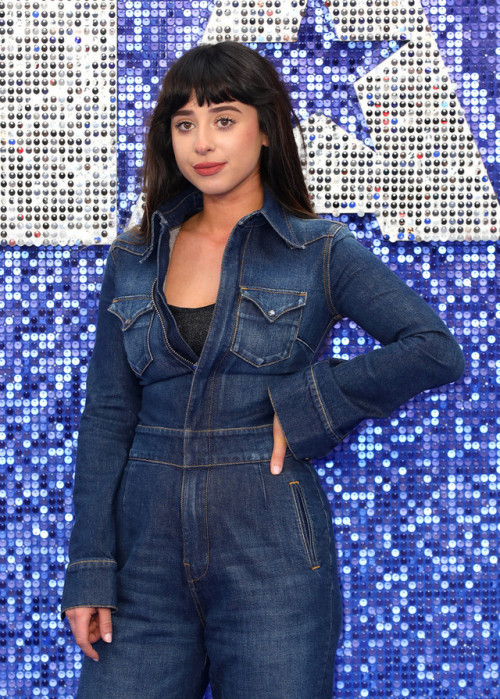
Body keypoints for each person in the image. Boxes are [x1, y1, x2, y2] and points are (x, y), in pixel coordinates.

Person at [60, 41, 464, 698]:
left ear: (267, 127)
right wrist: (89, 570)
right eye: (184, 122)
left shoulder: (319, 250)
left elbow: (432, 347)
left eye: (223, 118)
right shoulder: (134, 256)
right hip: (143, 566)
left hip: (272, 555)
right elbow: (108, 415)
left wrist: (310, 402)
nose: (202, 141)